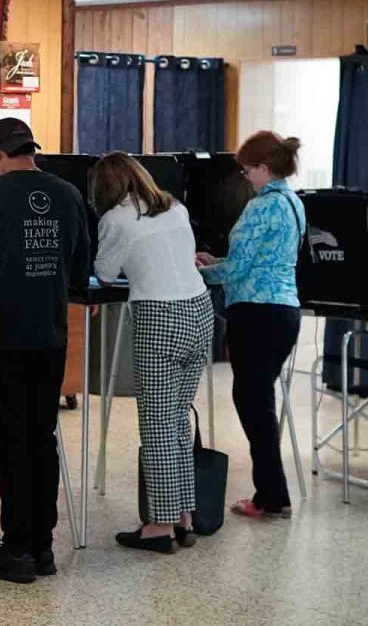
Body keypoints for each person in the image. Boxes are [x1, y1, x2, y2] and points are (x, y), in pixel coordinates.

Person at [0, 118, 89, 584]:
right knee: (41, 438)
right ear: (32, 149)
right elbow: (79, 270)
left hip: (5, 335)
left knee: (10, 443)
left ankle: (16, 550)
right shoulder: (69, 194)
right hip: (50, 336)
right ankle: (43, 548)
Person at [91, 152, 213, 553]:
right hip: (200, 311)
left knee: (157, 426)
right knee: (178, 420)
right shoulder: (175, 207)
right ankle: (184, 515)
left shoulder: (115, 219)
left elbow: (105, 274)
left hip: (160, 316)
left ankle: (159, 526)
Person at [197, 132, 305, 520]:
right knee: (260, 403)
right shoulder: (293, 203)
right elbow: (259, 260)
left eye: (247, 170)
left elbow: (239, 269)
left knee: (254, 405)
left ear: (263, 167)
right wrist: (217, 261)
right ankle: (273, 493)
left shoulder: (261, 208)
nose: (246, 177)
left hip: (257, 314)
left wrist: (202, 270)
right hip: (283, 310)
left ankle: (271, 498)